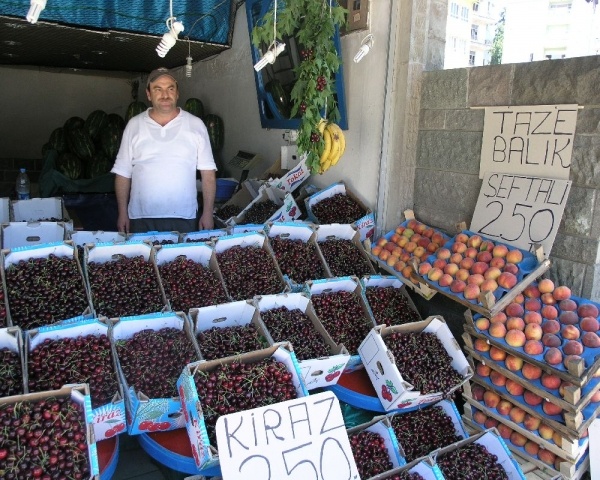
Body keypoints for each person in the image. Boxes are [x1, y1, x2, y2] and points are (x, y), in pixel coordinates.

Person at [111, 67, 217, 234]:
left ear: (177, 93)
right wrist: (122, 213)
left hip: (184, 217)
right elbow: (123, 173)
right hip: (140, 217)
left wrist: (208, 213)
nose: (165, 95)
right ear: (148, 94)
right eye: (158, 89)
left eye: (170, 88)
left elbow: (208, 174)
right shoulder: (134, 125)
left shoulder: (195, 124)